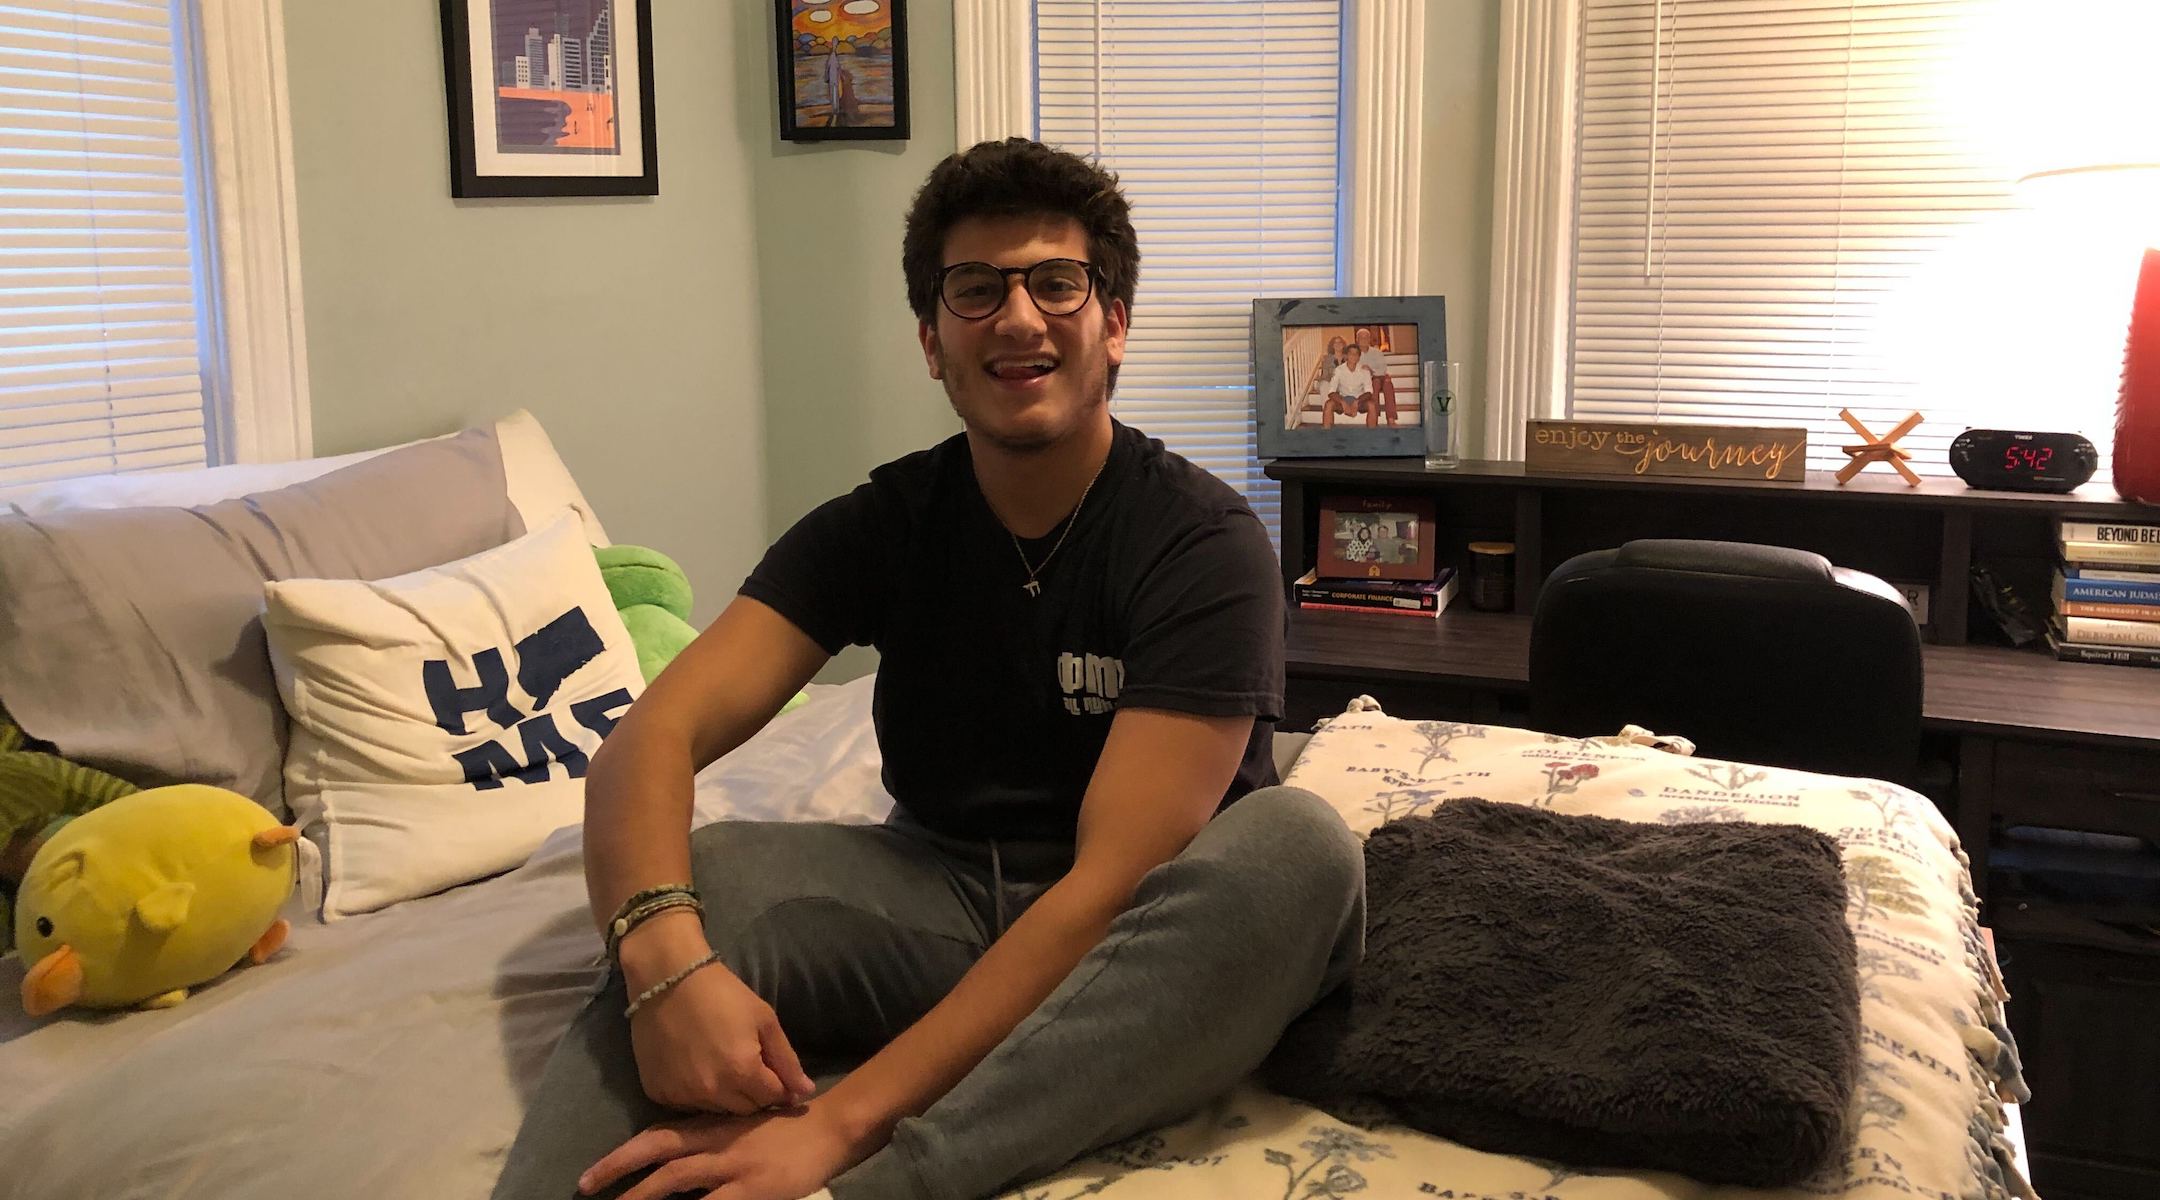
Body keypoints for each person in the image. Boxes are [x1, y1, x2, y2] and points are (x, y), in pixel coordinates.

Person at [490, 138, 1365, 1200]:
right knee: (695, 881)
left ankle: (901, 1180)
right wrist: (663, 962)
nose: (1018, 316)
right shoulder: (881, 525)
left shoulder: (1203, 543)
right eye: (974, 290)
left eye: (1057, 283)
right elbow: (649, 741)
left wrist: (840, 1126)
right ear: (932, 341)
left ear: (1115, 327)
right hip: (936, 898)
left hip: (1143, 938)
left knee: (1302, 852)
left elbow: (1109, 883)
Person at [1321, 343, 1381, 428]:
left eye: (1356, 354)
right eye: (1351, 353)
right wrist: (1342, 402)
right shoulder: (1339, 370)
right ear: (1346, 356)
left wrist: (1357, 402)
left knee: (1372, 405)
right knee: (1328, 404)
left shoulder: (1364, 371)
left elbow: (1369, 392)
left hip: (1359, 400)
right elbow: (1331, 392)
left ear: (1359, 357)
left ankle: (1371, 433)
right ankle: (1327, 433)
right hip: (1343, 398)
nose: (1353, 356)